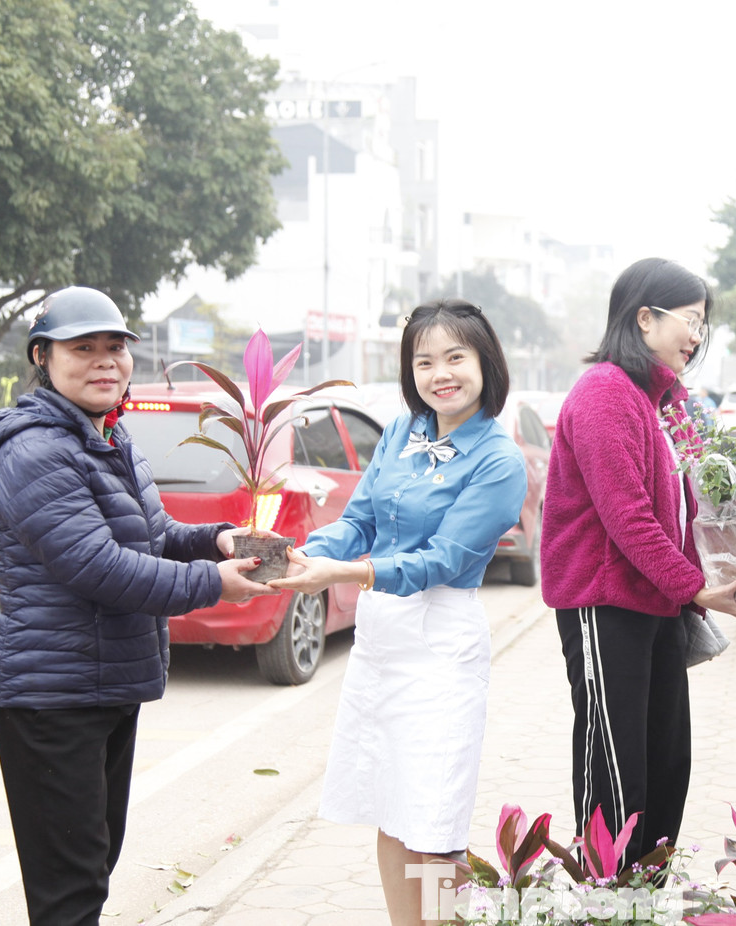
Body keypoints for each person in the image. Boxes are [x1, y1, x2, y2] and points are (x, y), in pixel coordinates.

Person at [0, 286, 273, 926]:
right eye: (83, 348)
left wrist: (218, 539)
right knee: (70, 891)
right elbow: (99, 567)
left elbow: (152, 535)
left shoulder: (108, 433)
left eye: (115, 347)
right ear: (43, 357)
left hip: (102, 685)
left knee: (92, 870)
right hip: (51, 699)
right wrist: (212, 583)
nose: (105, 361)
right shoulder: (36, 451)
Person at [540, 258, 736, 871]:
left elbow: (709, 496)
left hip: (657, 604)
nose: (696, 336)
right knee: (616, 766)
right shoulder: (604, 394)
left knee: (666, 761)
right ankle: (605, 898)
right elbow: (627, 518)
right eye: (690, 320)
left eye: (703, 324)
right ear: (645, 318)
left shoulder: (665, 401)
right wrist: (695, 587)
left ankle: (648, 892)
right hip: (605, 605)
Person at [268, 298, 526, 926]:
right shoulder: (400, 432)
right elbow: (360, 520)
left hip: (441, 645)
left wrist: (345, 575)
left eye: (455, 357)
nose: (441, 374)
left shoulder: (499, 458)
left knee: (434, 824)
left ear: (485, 362)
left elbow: (442, 559)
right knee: (392, 808)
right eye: (424, 361)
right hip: (382, 642)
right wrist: (303, 555)